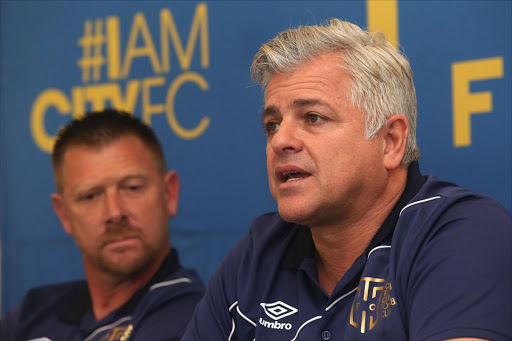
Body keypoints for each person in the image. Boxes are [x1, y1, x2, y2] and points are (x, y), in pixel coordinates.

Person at [182, 19, 512, 340]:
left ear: (391, 141)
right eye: (272, 124)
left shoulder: (461, 231)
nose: (280, 140)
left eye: (313, 117)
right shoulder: (257, 255)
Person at [0, 109, 204, 340]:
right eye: (90, 196)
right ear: (64, 214)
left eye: (133, 187)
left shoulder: (197, 320)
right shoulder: (32, 314)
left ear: (169, 194)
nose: (115, 212)